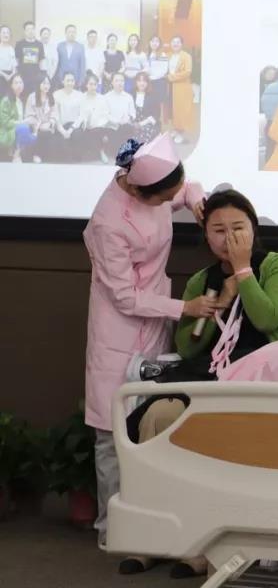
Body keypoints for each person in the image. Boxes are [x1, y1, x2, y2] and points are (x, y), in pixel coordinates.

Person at [121, 188, 278, 578]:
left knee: (212, 428)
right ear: (206, 237)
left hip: (263, 378)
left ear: (254, 230)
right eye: (219, 230)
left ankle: (198, 548)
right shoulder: (201, 280)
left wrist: (243, 273)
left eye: (238, 228)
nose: (229, 238)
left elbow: (268, 318)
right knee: (157, 416)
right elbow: (188, 347)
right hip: (207, 376)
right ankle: (152, 538)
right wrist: (218, 301)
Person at [82, 135, 211, 557]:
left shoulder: (156, 186)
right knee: (112, 435)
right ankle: (112, 528)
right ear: (140, 192)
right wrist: (185, 307)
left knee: (151, 425)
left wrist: (195, 200)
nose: (172, 200)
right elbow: (124, 297)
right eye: (166, 197)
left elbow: (183, 190)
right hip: (118, 330)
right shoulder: (109, 222)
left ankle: (154, 523)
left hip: (154, 324)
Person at [167, 36, 195, 143]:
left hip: (181, 87)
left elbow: (188, 72)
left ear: (181, 44)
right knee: (172, 109)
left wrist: (171, 77)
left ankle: (180, 133)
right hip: (170, 87)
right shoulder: (168, 55)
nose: (175, 44)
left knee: (181, 110)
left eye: (178, 42)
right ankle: (175, 129)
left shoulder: (186, 56)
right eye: (173, 42)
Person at [145, 36, 170, 126]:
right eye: (152, 41)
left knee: (159, 106)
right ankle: (152, 125)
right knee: (151, 104)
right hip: (150, 83)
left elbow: (163, 71)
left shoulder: (162, 55)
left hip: (159, 83)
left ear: (159, 44)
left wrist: (150, 77)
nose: (154, 43)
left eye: (157, 41)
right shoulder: (148, 54)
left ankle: (160, 127)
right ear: (149, 43)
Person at [14, 21, 45, 93]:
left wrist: (41, 75)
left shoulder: (39, 44)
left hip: (36, 76)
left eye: (32, 29)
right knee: (23, 95)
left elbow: (41, 61)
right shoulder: (19, 44)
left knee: (35, 96)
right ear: (24, 31)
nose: (30, 31)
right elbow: (16, 60)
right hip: (22, 76)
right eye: (28, 29)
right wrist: (17, 75)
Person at [129, 72, 159, 144]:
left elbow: (156, 114)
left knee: (145, 131)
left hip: (147, 122)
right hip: (133, 121)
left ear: (147, 83)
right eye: (139, 81)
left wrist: (141, 124)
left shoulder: (153, 95)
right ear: (136, 82)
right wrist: (132, 123)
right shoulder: (131, 93)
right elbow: (127, 111)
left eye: (144, 81)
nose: (142, 83)